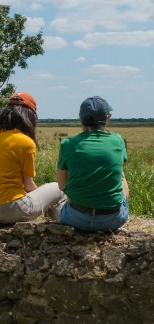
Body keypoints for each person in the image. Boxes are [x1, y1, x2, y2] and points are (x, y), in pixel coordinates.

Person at [0, 92, 65, 223]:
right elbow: (28, 185)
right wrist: (42, 196)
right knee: (58, 189)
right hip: (10, 210)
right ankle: (59, 227)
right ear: (30, 116)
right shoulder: (25, 142)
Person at [55, 97, 129, 232]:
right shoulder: (118, 140)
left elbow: (61, 185)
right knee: (121, 174)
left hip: (76, 217)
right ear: (107, 117)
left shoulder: (67, 144)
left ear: (80, 118)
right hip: (112, 219)